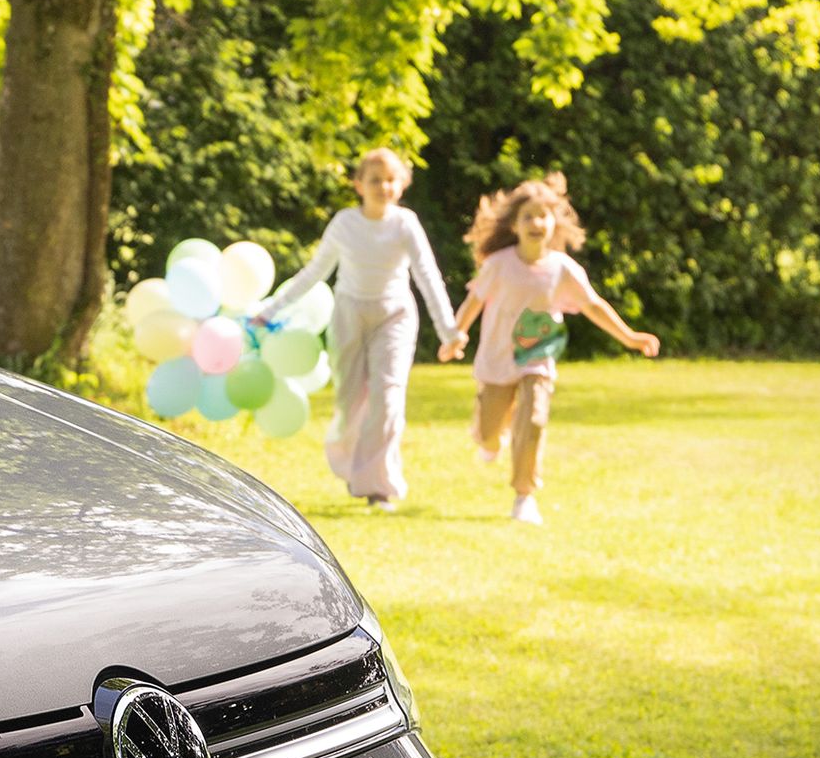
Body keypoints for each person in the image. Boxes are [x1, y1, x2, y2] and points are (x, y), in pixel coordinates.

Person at [441, 174, 660, 524]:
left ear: (554, 222)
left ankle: (524, 496)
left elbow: (593, 306)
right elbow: (472, 303)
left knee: (535, 419)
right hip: (497, 360)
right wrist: (455, 337)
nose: (536, 222)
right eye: (528, 215)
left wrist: (630, 337)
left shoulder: (562, 268)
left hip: (536, 357)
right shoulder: (498, 265)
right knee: (488, 432)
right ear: (514, 224)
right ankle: (490, 437)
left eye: (543, 215)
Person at [262, 146, 460, 510]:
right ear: (358, 185)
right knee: (350, 401)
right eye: (375, 180)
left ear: (401, 186)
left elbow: (428, 276)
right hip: (349, 314)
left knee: (387, 397)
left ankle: (377, 485)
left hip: (394, 316)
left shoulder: (405, 224)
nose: (383, 187)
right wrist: (270, 310)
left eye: (390, 180)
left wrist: (449, 331)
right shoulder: (345, 223)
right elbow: (313, 273)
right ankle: (350, 462)